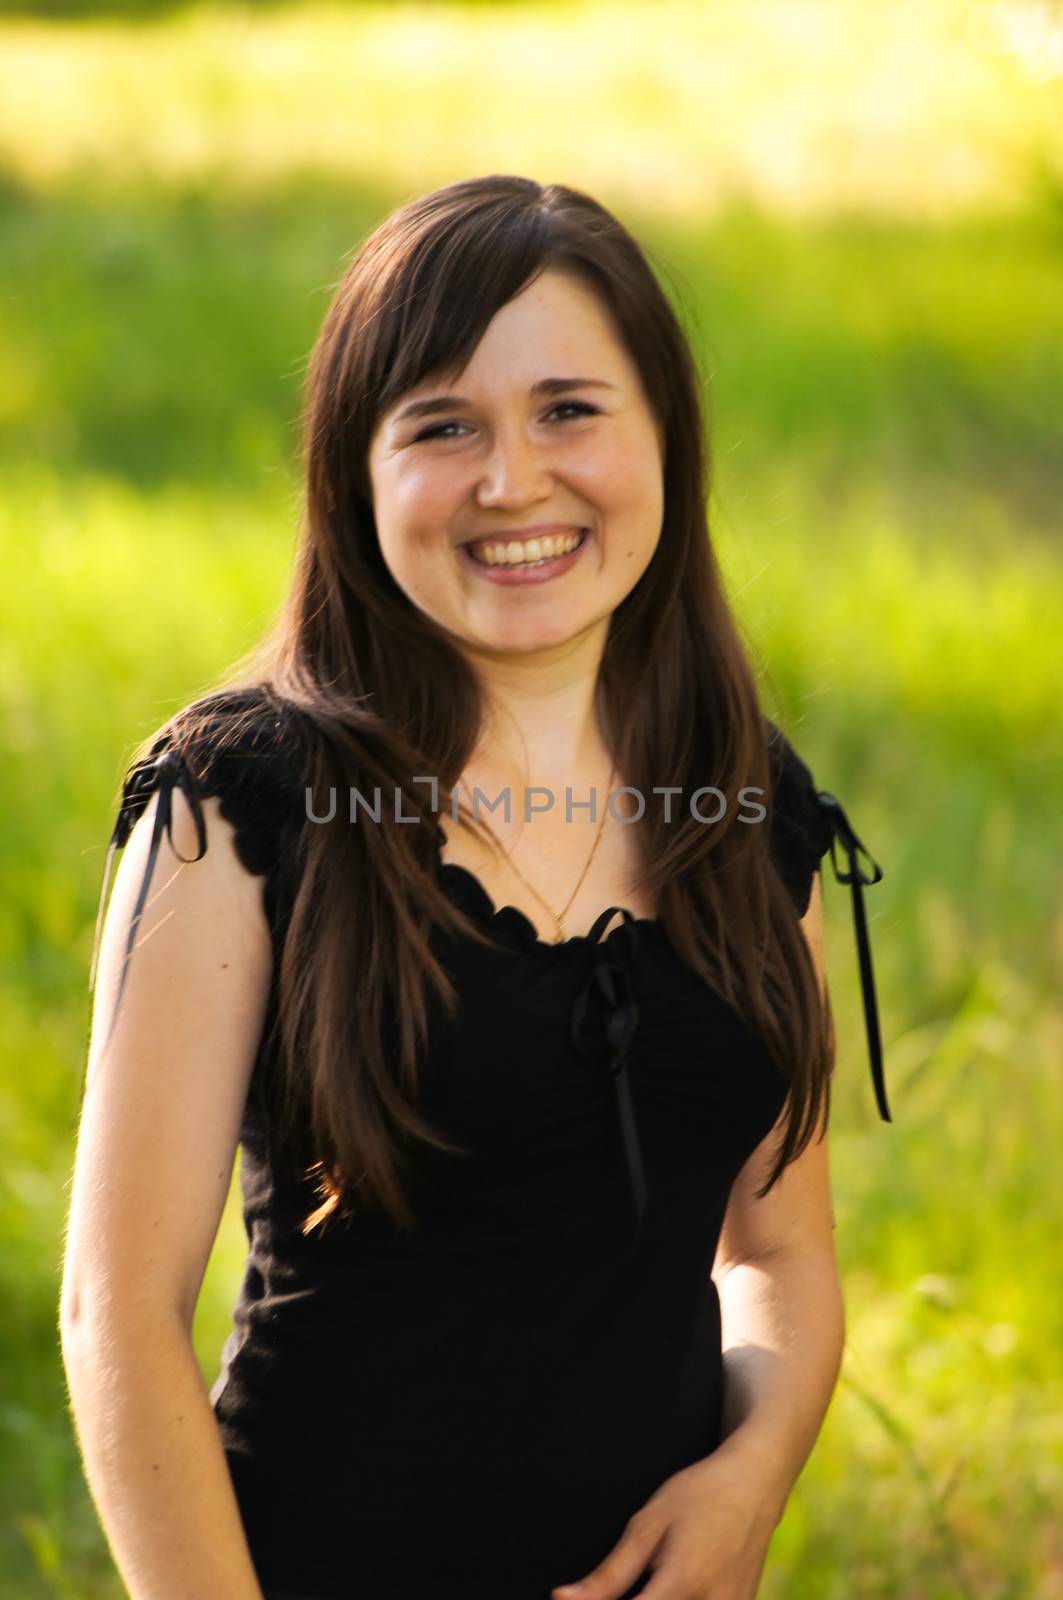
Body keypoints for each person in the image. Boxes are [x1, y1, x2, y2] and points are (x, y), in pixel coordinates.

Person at [60, 174, 889, 1600]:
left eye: (569, 409)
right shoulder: (242, 804)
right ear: (355, 476)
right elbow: (117, 1313)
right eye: (444, 427)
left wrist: (748, 1485)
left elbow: (779, 1256)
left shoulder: (743, 804)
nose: (512, 482)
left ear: (666, 443)